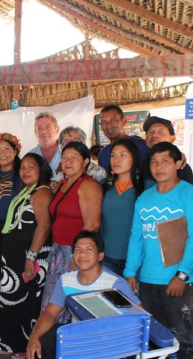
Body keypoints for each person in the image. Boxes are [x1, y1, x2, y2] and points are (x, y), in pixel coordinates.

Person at [124, 142, 193, 359]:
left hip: (178, 282)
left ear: (178, 163)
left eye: (165, 160)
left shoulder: (190, 195)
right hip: (148, 280)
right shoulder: (145, 198)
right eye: (154, 161)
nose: (159, 166)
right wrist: (130, 272)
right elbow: (136, 237)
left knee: (184, 336)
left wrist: (182, 275)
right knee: (154, 335)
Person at [27, 231, 141, 359]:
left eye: (89, 249)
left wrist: (116, 355)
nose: (82, 254)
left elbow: (139, 320)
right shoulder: (66, 280)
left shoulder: (114, 284)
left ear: (100, 256)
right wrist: (34, 336)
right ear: (73, 255)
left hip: (107, 343)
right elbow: (49, 313)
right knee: (44, 341)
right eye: (78, 249)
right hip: (78, 335)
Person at [0, 153, 53, 359]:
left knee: (28, 298)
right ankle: (10, 340)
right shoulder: (27, 190)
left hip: (30, 255)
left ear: (42, 170)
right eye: (23, 168)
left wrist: (31, 256)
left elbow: (44, 227)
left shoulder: (42, 192)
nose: (25, 171)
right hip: (15, 256)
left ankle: (25, 344)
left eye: (31, 167)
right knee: (12, 297)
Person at [41, 142, 102, 321]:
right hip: (58, 251)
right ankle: (52, 344)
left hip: (75, 252)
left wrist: (78, 257)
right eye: (65, 157)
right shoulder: (64, 183)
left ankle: (68, 344)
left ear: (85, 162)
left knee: (71, 305)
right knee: (54, 303)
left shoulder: (88, 185)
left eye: (74, 158)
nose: (68, 161)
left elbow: (92, 226)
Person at [100, 138, 154, 276]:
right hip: (106, 257)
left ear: (134, 158)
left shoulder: (149, 187)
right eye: (113, 155)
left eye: (123, 155)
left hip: (137, 258)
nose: (116, 160)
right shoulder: (103, 186)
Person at [0, 133, 22, 276]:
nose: (2, 153)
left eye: (6, 148)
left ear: (15, 151)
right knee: (0, 266)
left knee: (16, 266)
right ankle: (0, 296)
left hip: (18, 227)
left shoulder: (22, 175)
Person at [96, 105, 150, 172]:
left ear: (124, 121)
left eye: (113, 120)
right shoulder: (103, 154)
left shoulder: (143, 146)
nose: (108, 126)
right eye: (104, 122)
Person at [143, 116, 193, 184]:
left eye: (161, 132)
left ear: (172, 139)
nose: (154, 135)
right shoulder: (139, 164)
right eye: (150, 132)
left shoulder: (181, 166)